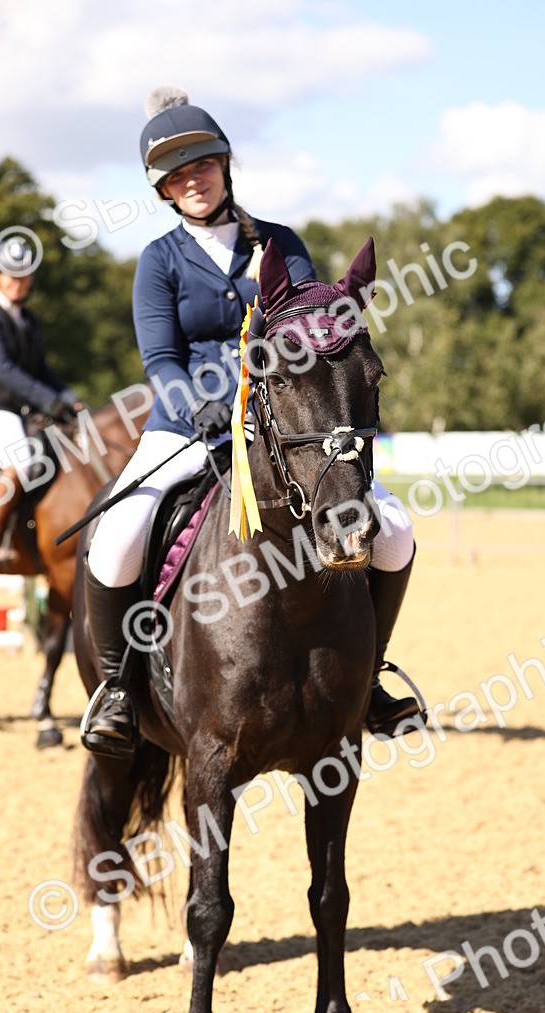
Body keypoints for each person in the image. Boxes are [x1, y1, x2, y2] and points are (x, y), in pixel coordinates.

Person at [81, 87, 419, 757]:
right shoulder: (160, 261)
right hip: (186, 423)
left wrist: (264, 401)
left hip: (280, 423)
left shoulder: (280, 244)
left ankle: (371, 674)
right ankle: (119, 687)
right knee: (117, 535)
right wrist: (201, 403)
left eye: (201, 167)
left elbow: (314, 333)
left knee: (397, 534)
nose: (192, 182)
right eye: (177, 178)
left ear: (225, 167)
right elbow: (160, 357)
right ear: (165, 193)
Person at [0, 234, 78, 571]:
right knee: (21, 460)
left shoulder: (28, 320)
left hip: (20, 411)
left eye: (24, 275)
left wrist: (69, 399)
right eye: (11, 275)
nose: (18, 282)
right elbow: (4, 370)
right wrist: (48, 401)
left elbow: (41, 369)